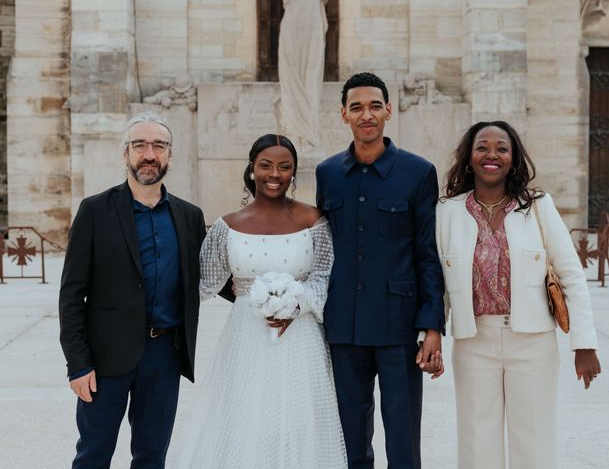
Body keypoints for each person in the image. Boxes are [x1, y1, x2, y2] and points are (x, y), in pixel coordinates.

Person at [58, 112, 230, 468]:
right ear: (126, 154)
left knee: (152, 456)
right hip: (104, 358)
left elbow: (215, 277)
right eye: (140, 145)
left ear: (169, 155)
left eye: (159, 145)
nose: (149, 153)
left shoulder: (189, 216)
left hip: (164, 356)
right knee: (93, 454)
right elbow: (71, 295)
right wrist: (78, 364)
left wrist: (270, 290)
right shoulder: (94, 211)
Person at [173, 134, 347, 468]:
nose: (275, 174)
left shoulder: (314, 221)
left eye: (285, 167)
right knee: (245, 418)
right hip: (246, 337)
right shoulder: (227, 227)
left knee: (299, 421)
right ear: (252, 169)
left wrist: (299, 305)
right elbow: (201, 283)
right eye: (265, 165)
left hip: (302, 338)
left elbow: (326, 275)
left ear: (294, 172)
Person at [436, 120, 602, 469]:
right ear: (469, 156)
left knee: (535, 439)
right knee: (477, 441)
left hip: (532, 342)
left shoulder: (538, 207)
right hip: (473, 340)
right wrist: (430, 335)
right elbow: (436, 282)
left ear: (513, 158)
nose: (491, 154)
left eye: (502, 148)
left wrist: (584, 343)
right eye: (482, 147)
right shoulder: (447, 212)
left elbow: (571, 275)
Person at [315, 72, 445, 469]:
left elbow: (427, 253)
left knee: (403, 442)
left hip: (398, 329)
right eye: (356, 107)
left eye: (374, 106)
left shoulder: (418, 172)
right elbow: (323, 249)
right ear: (343, 115)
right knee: (349, 442)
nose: (366, 114)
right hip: (344, 329)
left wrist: (433, 327)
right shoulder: (328, 173)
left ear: (389, 110)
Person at [278, 0, 328, 149]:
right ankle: (293, 131)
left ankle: (309, 134)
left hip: (313, 29)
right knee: (290, 79)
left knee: (311, 82)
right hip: (291, 29)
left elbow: (321, 12)